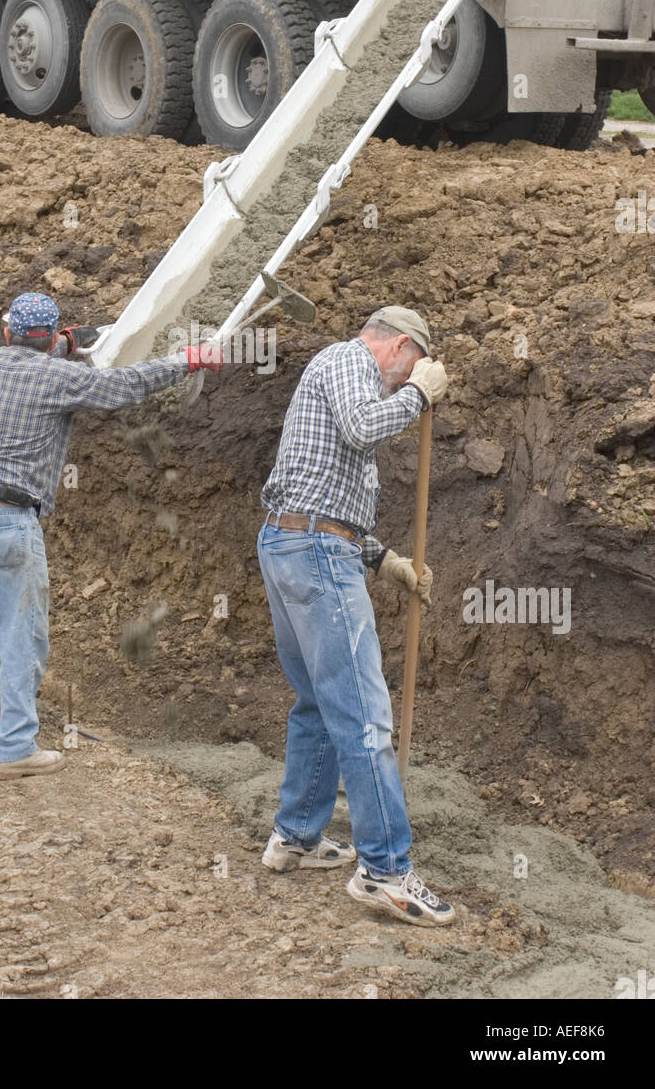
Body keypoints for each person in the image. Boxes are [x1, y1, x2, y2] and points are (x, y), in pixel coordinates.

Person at [0, 292, 222, 780]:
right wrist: (187, 359)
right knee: (21, 632)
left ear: (7, 333)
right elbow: (122, 385)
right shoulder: (61, 377)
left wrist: (64, 342)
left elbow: (31, 359)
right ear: (50, 339)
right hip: (8, 515)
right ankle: (15, 747)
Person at [257, 305, 455, 926]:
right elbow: (365, 427)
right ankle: (386, 872)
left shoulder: (341, 377)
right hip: (312, 552)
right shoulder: (348, 361)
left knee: (318, 700)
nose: (407, 379)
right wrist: (420, 397)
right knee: (365, 714)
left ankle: (296, 836)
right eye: (411, 367)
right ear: (397, 346)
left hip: (297, 544)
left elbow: (322, 497)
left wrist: (385, 559)